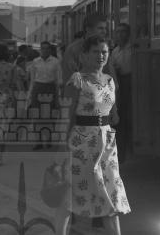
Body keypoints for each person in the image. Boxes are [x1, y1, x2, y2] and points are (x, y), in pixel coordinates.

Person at [55, 35, 130, 235]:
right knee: (71, 194)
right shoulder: (77, 80)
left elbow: (113, 116)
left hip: (106, 144)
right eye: (95, 52)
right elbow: (67, 115)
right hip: (81, 143)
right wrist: (62, 144)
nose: (101, 56)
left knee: (110, 192)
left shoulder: (110, 81)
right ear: (84, 55)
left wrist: (113, 115)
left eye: (104, 52)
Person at [28, 41, 63, 150]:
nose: (45, 50)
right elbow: (32, 80)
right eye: (43, 48)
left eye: (47, 48)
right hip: (38, 88)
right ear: (40, 50)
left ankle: (48, 139)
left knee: (50, 115)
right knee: (37, 115)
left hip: (50, 88)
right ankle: (38, 141)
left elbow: (58, 80)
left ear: (50, 50)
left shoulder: (56, 62)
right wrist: (29, 95)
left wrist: (58, 95)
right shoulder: (35, 62)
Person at [111, 23, 132, 163]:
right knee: (121, 119)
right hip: (120, 84)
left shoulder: (133, 49)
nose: (120, 34)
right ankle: (121, 155)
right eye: (118, 32)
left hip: (134, 84)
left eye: (123, 31)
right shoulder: (114, 52)